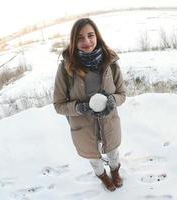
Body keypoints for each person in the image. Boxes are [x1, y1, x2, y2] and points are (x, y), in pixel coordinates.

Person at [53, 18, 127, 191]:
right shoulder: (66, 68)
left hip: (109, 122)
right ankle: (102, 176)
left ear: (97, 36)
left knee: (113, 152)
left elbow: (122, 94)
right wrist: (79, 108)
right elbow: (58, 105)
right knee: (93, 157)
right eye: (80, 38)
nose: (86, 41)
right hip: (83, 127)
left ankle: (115, 171)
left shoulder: (111, 63)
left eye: (90, 35)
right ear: (73, 41)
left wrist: (111, 101)